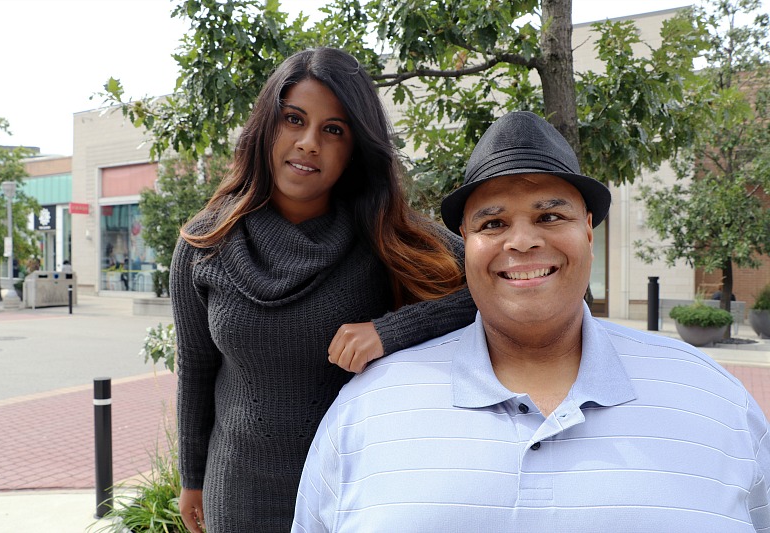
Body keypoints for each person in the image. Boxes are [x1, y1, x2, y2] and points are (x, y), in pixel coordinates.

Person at [293, 111, 770, 531]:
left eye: (548, 216)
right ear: (466, 241)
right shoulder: (369, 407)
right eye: (493, 224)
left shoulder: (715, 399)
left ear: (587, 228)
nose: (521, 241)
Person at [170, 47, 477, 532]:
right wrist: (192, 478)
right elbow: (195, 368)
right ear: (266, 128)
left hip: (357, 488)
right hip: (241, 491)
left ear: (354, 149)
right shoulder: (205, 243)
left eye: (333, 130)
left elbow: (496, 286)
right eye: (294, 119)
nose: (308, 142)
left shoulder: (383, 233)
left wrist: (390, 330)